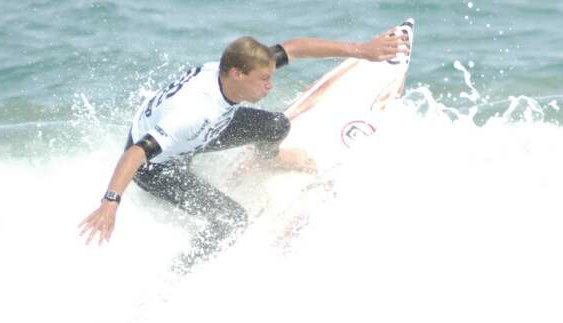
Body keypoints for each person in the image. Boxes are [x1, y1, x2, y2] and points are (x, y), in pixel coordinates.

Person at [79, 29, 408, 271]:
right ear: (237, 74)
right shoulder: (193, 113)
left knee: (276, 125)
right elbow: (136, 153)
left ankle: (269, 159)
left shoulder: (233, 72)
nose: (270, 85)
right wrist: (110, 203)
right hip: (158, 167)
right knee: (232, 220)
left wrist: (361, 50)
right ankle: (182, 273)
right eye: (263, 80)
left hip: (205, 133)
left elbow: (294, 47)